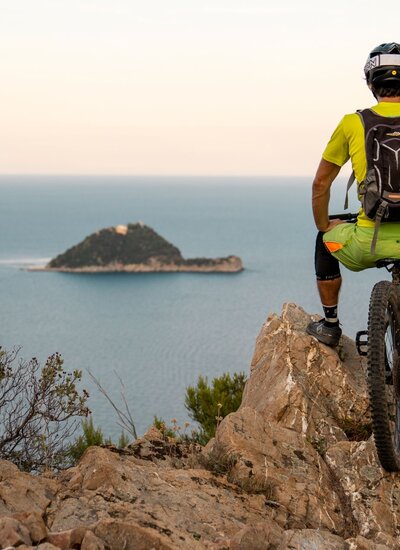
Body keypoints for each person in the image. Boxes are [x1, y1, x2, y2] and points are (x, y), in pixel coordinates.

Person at [307, 42, 400, 347]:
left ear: (371, 82)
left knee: (324, 240)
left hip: (367, 241)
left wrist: (324, 225)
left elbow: (321, 184)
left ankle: (330, 325)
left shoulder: (353, 123)